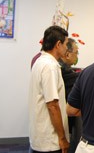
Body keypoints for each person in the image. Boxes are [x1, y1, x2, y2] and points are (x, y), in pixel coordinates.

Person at [29, 25, 70, 153]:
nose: (67, 48)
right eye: (66, 44)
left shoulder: (39, 61)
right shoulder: (50, 66)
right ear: (58, 44)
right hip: (50, 140)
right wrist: (63, 138)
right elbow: (52, 105)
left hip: (40, 136)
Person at [58, 38, 81, 153]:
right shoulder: (63, 71)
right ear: (67, 54)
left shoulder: (62, 68)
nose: (77, 56)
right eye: (76, 52)